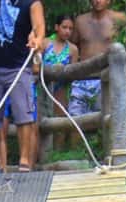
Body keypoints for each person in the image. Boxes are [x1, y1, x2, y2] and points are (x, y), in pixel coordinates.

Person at [0, 0, 44, 173]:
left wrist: (37, 40)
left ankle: (24, 160)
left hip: (18, 65)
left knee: (23, 113)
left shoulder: (32, 3)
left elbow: (39, 28)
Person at [70, 0, 126, 117]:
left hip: (106, 76)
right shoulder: (80, 21)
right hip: (83, 78)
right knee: (75, 118)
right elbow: (72, 46)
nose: (97, 1)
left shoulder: (119, 18)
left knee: (106, 117)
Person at [40, 15, 79, 152]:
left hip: (61, 89)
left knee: (60, 119)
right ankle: (42, 152)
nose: (67, 31)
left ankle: (57, 152)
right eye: (64, 27)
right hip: (42, 87)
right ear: (57, 27)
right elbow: (35, 65)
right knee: (40, 120)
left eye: (70, 29)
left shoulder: (72, 49)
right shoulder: (45, 43)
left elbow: (73, 72)